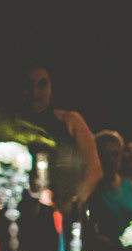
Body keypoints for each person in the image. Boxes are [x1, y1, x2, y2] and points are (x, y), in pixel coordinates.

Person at [22, 64, 103, 215]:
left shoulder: (70, 120)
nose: (35, 92)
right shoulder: (13, 125)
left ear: (51, 88)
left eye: (42, 84)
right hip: (22, 211)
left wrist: (74, 204)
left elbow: (95, 169)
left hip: (64, 211)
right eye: (29, 85)